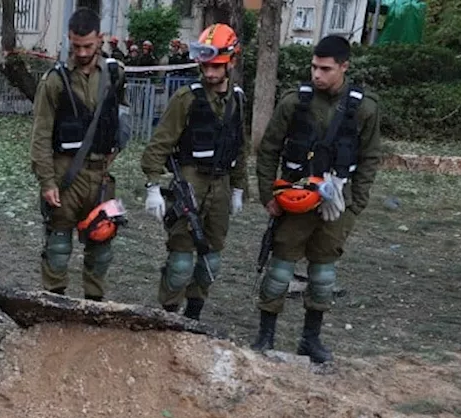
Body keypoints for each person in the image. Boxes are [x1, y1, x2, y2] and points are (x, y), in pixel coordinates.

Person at [252, 35, 382, 363]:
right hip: (293, 201)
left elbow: (369, 159)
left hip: (337, 205)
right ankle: (265, 336)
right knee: (280, 270)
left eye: (325, 69)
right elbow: (268, 149)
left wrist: (355, 206)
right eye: (313, 67)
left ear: (344, 67)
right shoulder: (294, 102)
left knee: (323, 276)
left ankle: (310, 340)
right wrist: (268, 194)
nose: (317, 75)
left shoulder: (365, 108)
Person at [140, 24, 247, 320]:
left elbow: (240, 146)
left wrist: (239, 188)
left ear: (231, 63)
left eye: (216, 66)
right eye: (206, 65)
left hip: (222, 185)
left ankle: (194, 317)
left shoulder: (237, 99)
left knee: (211, 261)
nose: (210, 72)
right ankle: (169, 315)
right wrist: (153, 186)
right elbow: (159, 144)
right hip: (190, 181)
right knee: (180, 262)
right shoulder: (186, 98)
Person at [30, 8, 127, 299]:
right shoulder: (55, 81)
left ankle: (94, 306)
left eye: (88, 45)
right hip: (64, 174)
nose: (82, 52)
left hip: (100, 177)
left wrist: (115, 149)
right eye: (76, 46)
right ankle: (55, 304)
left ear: (100, 39)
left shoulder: (115, 73)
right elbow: (41, 134)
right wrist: (47, 182)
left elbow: (120, 117)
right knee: (58, 247)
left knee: (101, 246)